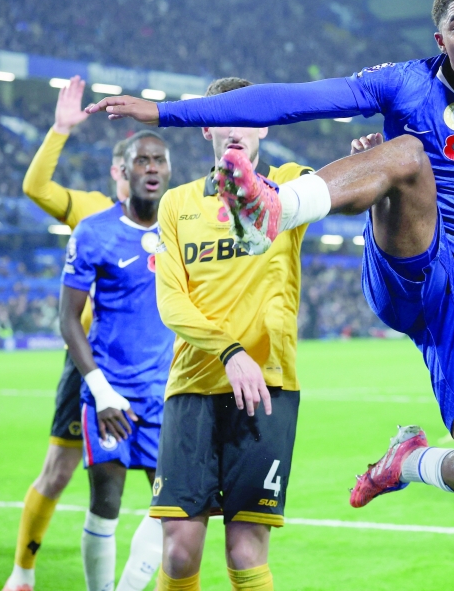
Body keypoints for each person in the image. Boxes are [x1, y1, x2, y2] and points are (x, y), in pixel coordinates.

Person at [86, 0, 454, 517]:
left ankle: (407, 460)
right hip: (407, 266)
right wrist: (166, 113)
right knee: (407, 152)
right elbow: (292, 101)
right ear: (441, 40)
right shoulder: (406, 82)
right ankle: (274, 207)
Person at [144, 77, 312, 591]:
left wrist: (362, 160)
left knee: (244, 550)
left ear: (265, 126)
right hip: (193, 385)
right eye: (223, 117)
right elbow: (171, 302)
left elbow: (346, 194)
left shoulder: (289, 187)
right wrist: (229, 350)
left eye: (249, 117)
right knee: (179, 550)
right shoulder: (176, 204)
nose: (236, 129)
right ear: (205, 127)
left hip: (268, 388)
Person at [5, 75, 135, 591]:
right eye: (130, 165)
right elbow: (36, 188)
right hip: (87, 362)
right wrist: (59, 131)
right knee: (58, 471)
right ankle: (22, 572)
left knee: (166, 481)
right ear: (117, 171)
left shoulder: (169, 217)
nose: (141, 173)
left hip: (146, 363)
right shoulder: (92, 210)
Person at [59, 131, 174, 591]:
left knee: (174, 508)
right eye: (142, 160)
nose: (151, 167)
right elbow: (68, 319)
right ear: (124, 171)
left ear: (169, 170)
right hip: (110, 397)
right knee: (105, 504)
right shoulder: (94, 232)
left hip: (166, 396)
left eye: (159, 160)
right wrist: (102, 392)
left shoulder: (182, 229)